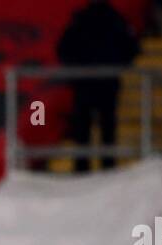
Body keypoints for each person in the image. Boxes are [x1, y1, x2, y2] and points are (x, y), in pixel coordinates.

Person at [56, 0, 139, 172]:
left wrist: (75, 70)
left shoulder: (82, 19)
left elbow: (63, 48)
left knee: (84, 130)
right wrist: (118, 66)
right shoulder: (115, 20)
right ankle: (107, 167)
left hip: (86, 85)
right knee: (106, 129)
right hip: (105, 84)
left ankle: (82, 169)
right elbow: (133, 48)